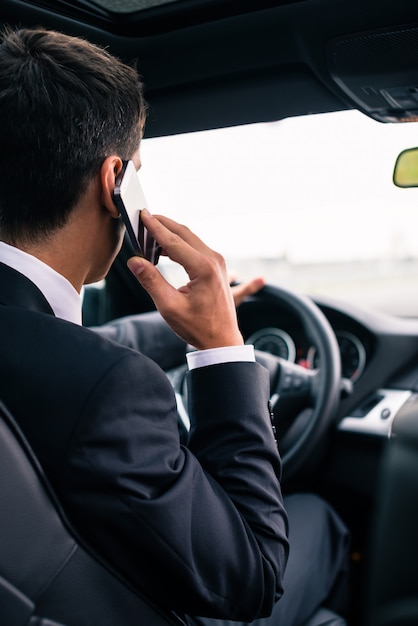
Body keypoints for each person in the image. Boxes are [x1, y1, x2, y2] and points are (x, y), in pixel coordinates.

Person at [0, 26, 349, 626]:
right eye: (138, 171)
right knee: (324, 518)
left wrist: (183, 330)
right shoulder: (110, 388)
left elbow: (78, 351)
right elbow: (254, 575)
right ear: (116, 182)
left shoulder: (54, 353)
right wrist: (223, 350)